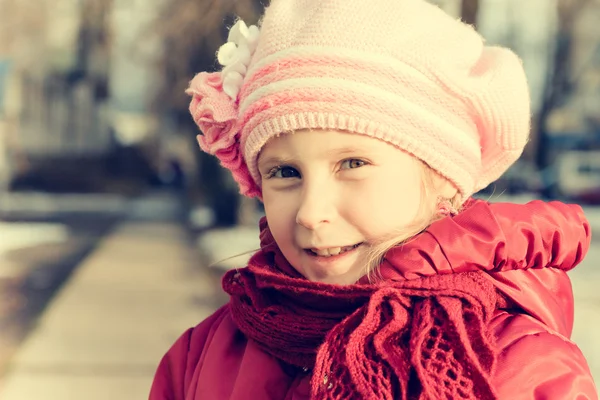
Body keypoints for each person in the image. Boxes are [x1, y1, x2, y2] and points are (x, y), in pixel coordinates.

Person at [149, 0, 597, 398]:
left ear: (442, 177)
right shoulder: (202, 357)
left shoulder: (521, 369)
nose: (311, 213)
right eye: (285, 172)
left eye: (352, 164)